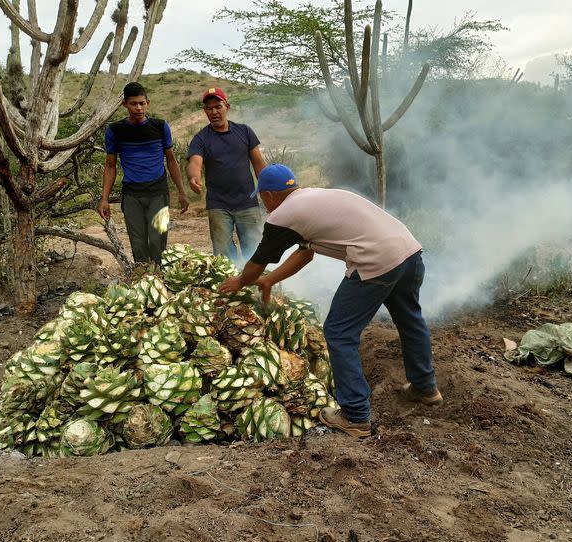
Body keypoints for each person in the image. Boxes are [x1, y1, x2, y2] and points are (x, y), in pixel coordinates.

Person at [219, 164, 442, 438]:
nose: (264, 203)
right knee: (410, 319)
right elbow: (305, 253)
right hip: (408, 251)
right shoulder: (312, 199)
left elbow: (256, 262)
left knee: (339, 332)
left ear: (269, 195)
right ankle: (425, 387)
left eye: (262, 197)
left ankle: (356, 416)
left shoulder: (284, 215)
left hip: (376, 260)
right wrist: (270, 280)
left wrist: (241, 281)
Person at [98, 82, 189, 265]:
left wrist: (181, 191)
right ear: (125, 104)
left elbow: (171, 160)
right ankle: (143, 282)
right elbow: (110, 166)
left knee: (158, 241)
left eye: (142, 103)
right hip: (132, 194)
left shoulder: (160, 126)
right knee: (138, 243)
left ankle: (160, 282)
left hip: (159, 193)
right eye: (133, 104)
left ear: (148, 102)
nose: (138, 108)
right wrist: (104, 198)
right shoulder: (115, 130)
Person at [186, 87, 267, 264]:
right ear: (205, 111)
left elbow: (258, 163)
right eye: (209, 108)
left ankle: (256, 285)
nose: (214, 112)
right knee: (223, 255)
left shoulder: (244, 131)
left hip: (248, 202)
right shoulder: (201, 138)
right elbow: (195, 162)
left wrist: (268, 188)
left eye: (218, 106)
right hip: (218, 205)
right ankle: (229, 286)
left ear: (227, 107)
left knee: (255, 249)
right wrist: (194, 177)